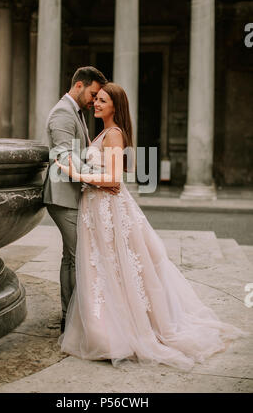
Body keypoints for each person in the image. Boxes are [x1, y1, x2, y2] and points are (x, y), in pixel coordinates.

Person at [54, 82, 249, 371]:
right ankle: (105, 328)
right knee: (105, 269)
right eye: (96, 99)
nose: (96, 103)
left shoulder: (114, 134)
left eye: (102, 100)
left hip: (107, 209)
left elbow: (114, 180)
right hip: (97, 209)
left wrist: (75, 172)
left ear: (114, 107)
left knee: (114, 268)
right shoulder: (105, 133)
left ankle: (117, 332)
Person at [43, 67, 120, 334]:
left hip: (71, 193)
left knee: (71, 258)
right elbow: (64, 156)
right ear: (78, 85)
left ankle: (70, 317)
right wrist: (99, 177)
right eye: (92, 93)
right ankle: (76, 321)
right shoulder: (64, 113)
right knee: (79, 258)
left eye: (99, 96)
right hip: (63, 196)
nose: (94, 100)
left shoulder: (76, 112)